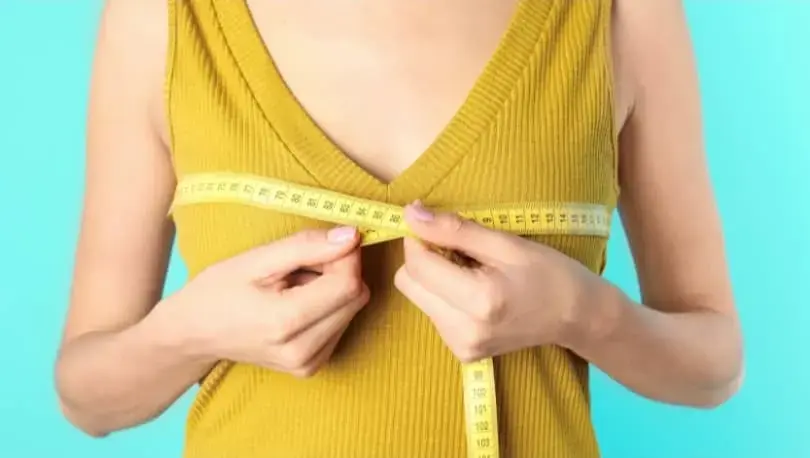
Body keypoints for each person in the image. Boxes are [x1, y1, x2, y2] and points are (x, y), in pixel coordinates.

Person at [54, 0, 744, 456]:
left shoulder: (621, 13)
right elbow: (85, 397)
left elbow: (715, 366)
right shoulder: (163, 18)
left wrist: (580, 313)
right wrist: (189, 334)